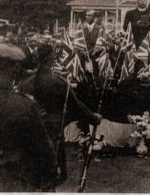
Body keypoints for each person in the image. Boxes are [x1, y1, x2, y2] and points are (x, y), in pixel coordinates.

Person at [0, 43, 58, 191]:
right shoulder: (25, 104)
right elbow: (42, 146)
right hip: (17, 177)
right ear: (14, 70)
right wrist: (51, 172)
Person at [31, 44, 102, 181]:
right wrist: (93, 118)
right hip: (53, 132)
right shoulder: (58, 82)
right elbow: (76, 106)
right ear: (51, 58)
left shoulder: (27, 82)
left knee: (37, 172)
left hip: (32, 132)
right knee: (53, 172)